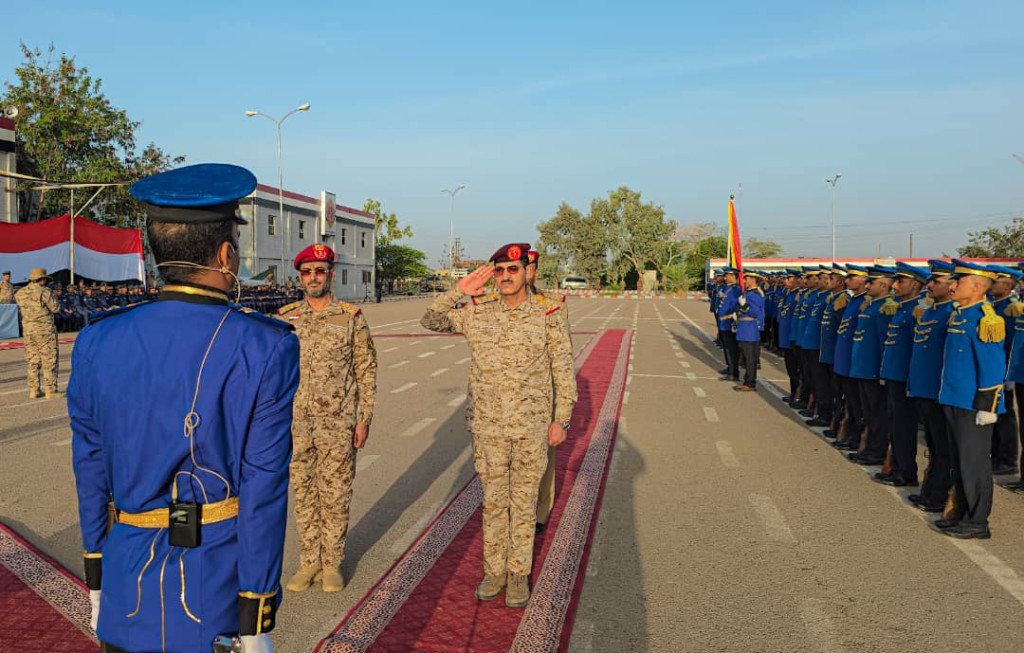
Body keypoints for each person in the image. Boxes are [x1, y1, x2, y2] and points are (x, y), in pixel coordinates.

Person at [70, 163, 300, 653]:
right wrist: (257, 610)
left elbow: (90, 467)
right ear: (225, 254)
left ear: (158, 256)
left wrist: (96, 573)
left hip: (124, 584)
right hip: (213, 592)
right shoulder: (264, 346)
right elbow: (264, 486)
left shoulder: (96, 340)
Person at [421, 243, 577, 608]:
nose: (506, 276)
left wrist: (562, 418)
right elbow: (430, 319)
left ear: (527, 272)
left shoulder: (549, 312)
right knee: (493, 502)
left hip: (531, 426)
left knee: (523, 504)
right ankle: (495, 571)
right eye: (500, 270)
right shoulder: (478, 312)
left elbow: (563, 367)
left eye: (513, 269)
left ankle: (519, 573)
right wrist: (459, 292)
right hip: (488, 426)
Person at [277, 243, 378, 593]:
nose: (313, 278)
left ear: (331, 275)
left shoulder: (349, 317)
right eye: (307, 272)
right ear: (300, 277)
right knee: (303, 492)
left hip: (337, 423)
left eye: (320, 271)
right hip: (295, 424)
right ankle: (309, 561)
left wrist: (364, 418)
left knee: (335, 494)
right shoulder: (285, 318)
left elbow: (366, 370)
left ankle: (332, 562)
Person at [931, 260, 1009, 539]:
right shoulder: (961, 314)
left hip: (974, 405)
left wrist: (987, 408)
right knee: (960, 461)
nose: (951, 286)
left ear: (977, 286)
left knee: (974, 463)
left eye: (958, 282)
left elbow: (992, 367)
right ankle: (960, 512)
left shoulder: (986, 319)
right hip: (954, 398)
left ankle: (978, 521)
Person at [907, 260, 958, 511]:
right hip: (923, 388)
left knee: (943, 447)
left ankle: (938, 495)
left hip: (938, 390)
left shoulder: (952, 312)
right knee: (933, 444)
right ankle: (929, 491)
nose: (930, 285)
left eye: (936, 282)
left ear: (951, 287)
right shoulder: (929, 310)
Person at [526, 248, 570, 533]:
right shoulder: (494, 305)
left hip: (543, 394)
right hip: (507, 398)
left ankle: (539, 512)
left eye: (529, 267)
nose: (524, 273)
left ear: (535, 271)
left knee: (543, 458)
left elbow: (563, 357)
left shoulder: (553, 305)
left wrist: (562, 414)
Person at [875, 262, 930, 486]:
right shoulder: (901, 306)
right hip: (893, 374)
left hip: (905, 377)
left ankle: (906, 471)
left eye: (901, 281)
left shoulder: (918, 309)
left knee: (904, 427)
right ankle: (896, 466)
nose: (895, 286)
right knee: (895, 425)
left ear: (916, 285)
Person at [987, 266, 1023, 476]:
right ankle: (996, 455)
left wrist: (1008, 374)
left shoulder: (1012, 308)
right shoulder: (993, 305)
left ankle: (1008, 460)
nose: (992, 284)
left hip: (1003, 370)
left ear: (1008, 285)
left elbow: (1012, 343)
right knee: (993, 413)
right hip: (993, 369)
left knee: (1005, 415)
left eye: (997, 280)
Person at [14, 268, 60, 398]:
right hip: (44, 330)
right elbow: (56, 308)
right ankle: (50, 390)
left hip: (29, 330)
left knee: (32, 359)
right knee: (49, 358)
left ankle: (34, 390)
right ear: (43, 279)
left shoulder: (20, 293)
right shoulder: (45, 292)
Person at [734, 270, 765, 391]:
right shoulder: (748, 293)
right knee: (746, 357)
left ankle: (750, 382)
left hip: (749, 329)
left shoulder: (756, 295)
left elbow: (755, 313)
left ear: (753, 280)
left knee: (750, 358)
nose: (745, 281)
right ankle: (747, 380)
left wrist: (744, 306)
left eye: (746, 279)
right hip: (744, 328)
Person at [716, 267, 742, 382]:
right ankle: (729, 367)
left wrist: (734, 322)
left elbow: (736, 307)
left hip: (729, 323)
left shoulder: (736, 290)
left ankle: (734, 372)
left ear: (733, 276)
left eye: (727, 275)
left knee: (732, 349)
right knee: (727, 348)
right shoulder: (727, 288)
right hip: (723, 323)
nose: (725, 277)